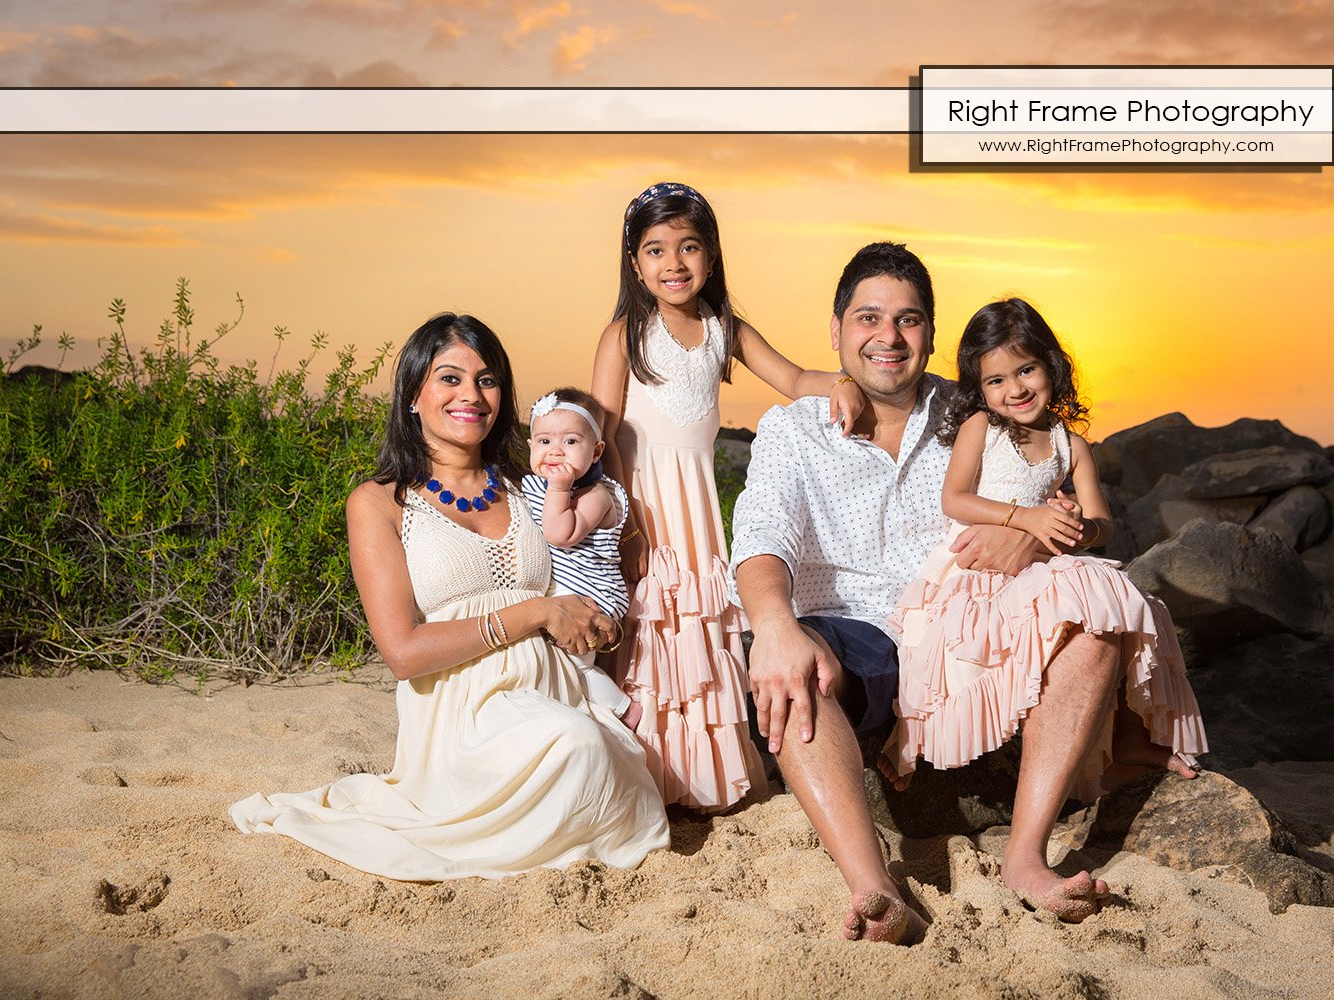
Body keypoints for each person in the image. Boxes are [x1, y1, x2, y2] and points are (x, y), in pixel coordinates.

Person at [731, 244, 1201, 941]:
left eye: (909, 320)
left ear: (930, 333)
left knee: (1095, 619)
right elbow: (762, 529)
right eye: (869, 318)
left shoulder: (975, 407)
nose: (888, 337)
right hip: (858, 630)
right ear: (836, 332)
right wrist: (772, 620)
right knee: (790, 661)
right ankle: (873, 889)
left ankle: (1026, 860)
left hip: (973, 624)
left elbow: (1058, 503)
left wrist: (1036, 537)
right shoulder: (795, 428)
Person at [230, 313, 669, 880]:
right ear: (414, 393)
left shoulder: (529, 486)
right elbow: (402, 652)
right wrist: (536, 611)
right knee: (577, 748)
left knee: (619, 763)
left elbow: (587, 566)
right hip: (462, 708)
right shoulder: (379, 502)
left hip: (556, 687)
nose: (472, 395)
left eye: (487, 380)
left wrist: (599, 618)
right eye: (450, 378)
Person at [884, 297, 1208, 851]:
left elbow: (1103, 521)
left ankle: (1130, 735)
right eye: (995, 380)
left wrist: (1082, 531)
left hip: (1042, 568)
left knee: (1114, 593)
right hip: (979, 571)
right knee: (1097, 591)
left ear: (1052, 366)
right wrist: (1025, 517)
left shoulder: (1070, 444)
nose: (1014, 389)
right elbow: (955, 498)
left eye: (1026, 370)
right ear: (979, 390)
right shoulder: (983, 428)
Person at [592, 181, 866, 812]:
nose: (674, 264)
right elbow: (601, 438)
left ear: (711, 255)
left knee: (701, 636)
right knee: (649, 640)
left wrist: (841, 380)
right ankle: (647, 782)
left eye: (689, 247)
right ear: (635, 262)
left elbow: (794, 377)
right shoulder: (623, 336)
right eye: (656, 250)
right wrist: (624, 530)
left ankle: (704, 780)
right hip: (642, 515)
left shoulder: (724, 330)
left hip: (697, 519)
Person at [521, 386, 642, 730]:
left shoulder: (598, 494)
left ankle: (624, 709)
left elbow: (560, 533)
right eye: (544, 442)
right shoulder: (533, 485)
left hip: (592, 594)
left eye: (570, 442)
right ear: (530, 446)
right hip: (558, 590)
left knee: (574, 662)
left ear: (596, 451)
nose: (555, 451)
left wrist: (559, 490)